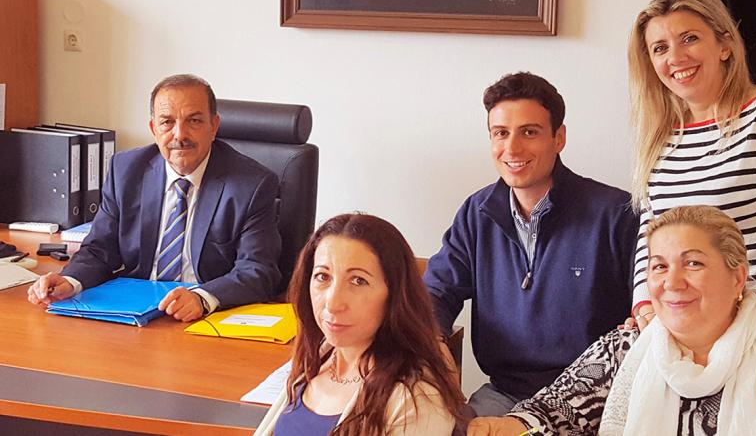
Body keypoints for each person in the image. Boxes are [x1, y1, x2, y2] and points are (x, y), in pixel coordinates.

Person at [423, 72, 639, 416]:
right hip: (505, 393)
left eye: (529, 132)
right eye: (501, 133)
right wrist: (432, 340)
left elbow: (645, 315)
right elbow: (436, 290)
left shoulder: (615, 214)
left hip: (590, 401)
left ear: (559, 138)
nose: (512, 148)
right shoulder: (477, 213)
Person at [468, 205, 756, 435]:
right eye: (659, 266)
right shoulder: (624, 348)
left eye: (693, 263)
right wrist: (505, 427)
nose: (672, 282)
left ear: (737, 277)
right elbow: (552, 412)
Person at [27, 74, 282, 322]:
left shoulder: (251, 185)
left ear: (213, 127)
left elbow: (258, 270)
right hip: (137, 310)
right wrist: (70, 280)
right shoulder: (126, 170)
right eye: (167, 122)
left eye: (193, 121)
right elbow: (99, 249)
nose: (179, 135)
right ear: (153, 129)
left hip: (206, 317)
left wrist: (202, 298)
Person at [627, 0, 756, 329]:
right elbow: (651, 233)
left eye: (689, 39)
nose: (675, 58)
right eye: (660, 48)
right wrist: (645, 308)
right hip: (684, 328)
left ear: (724, 45)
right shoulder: (660, 137)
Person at [255, 213, 465, 436]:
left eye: (358, 281)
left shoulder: (417, 399)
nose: (333, 303)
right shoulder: (315, 361)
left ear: (395, 295)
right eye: (323, 277)